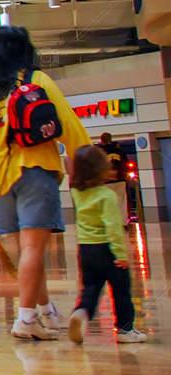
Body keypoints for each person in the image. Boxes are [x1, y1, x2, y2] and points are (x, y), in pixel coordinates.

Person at [0, 25, 90, 340]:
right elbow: (68, 124)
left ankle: (46, 311)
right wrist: (85, 160)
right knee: (34, 249)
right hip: (35, 169)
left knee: (23, 255)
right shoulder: (37, 81)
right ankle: (25, 319)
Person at [66, 145, 146, 344]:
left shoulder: (77, 193)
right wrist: (121, 255)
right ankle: (126, 329)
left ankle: (81, 312)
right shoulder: (107, 196)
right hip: (107, 250)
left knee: (91, 287)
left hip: (86, 249)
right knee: (120, 290)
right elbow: (113, 228)